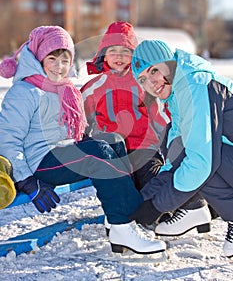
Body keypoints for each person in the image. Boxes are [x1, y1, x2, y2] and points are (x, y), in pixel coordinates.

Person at [0, 26, 166, 255]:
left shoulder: (62, 88)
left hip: (60, 150)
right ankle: (123, 225)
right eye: (52, 59)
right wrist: (27, 181)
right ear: (39, 58)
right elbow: (7, 141)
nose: (59, 67)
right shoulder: (25, 92)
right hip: (37, 162)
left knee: (114, 141)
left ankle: (116, 218)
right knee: (97, 152)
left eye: (65, 60)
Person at [130, 39, 233, 258]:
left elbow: (200, 163)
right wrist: (142, 200)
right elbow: (176, 154)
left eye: (154, 70)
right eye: (143, 79)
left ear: (169, 62)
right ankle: (198, 210)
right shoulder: (176, 91)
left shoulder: (195, 83)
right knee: (180, 145)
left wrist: (157, 206)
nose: (151, 83)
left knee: (204, 160)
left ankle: (199, 210)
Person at [81, 21, 169, 191]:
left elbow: (160, 117)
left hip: (144, 149)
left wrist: (168, 147)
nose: (119, 57)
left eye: (125, 51)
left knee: (154, 188)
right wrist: (86, 144)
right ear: (103, 55)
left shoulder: (145, 84)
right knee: (121, 192)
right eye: (112, 51)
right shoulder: (94, 88)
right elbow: (81, 121)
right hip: (111, 152)